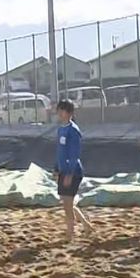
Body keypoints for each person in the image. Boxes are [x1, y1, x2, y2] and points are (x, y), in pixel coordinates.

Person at [54, 99, 93, 242]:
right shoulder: (60, 129)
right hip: (63, 170)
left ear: (69, 113)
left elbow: (74, 154)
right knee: (66, 202)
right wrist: (56, 168)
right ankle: (85, 225)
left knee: (68, 204)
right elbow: (60, 151)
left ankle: (70, 234)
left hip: (73, 171)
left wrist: (70, 173)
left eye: (62, 110)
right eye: (59, 110)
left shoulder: (73, 130)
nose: (60, 113)